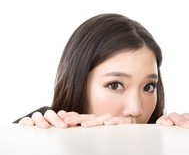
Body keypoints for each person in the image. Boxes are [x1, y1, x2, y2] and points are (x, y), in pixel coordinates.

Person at [15, 13, 165, 128]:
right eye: (115, 85)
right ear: (78, 83)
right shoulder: (41, 131)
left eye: (148, 87)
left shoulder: (164, 145)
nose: (136, 109)